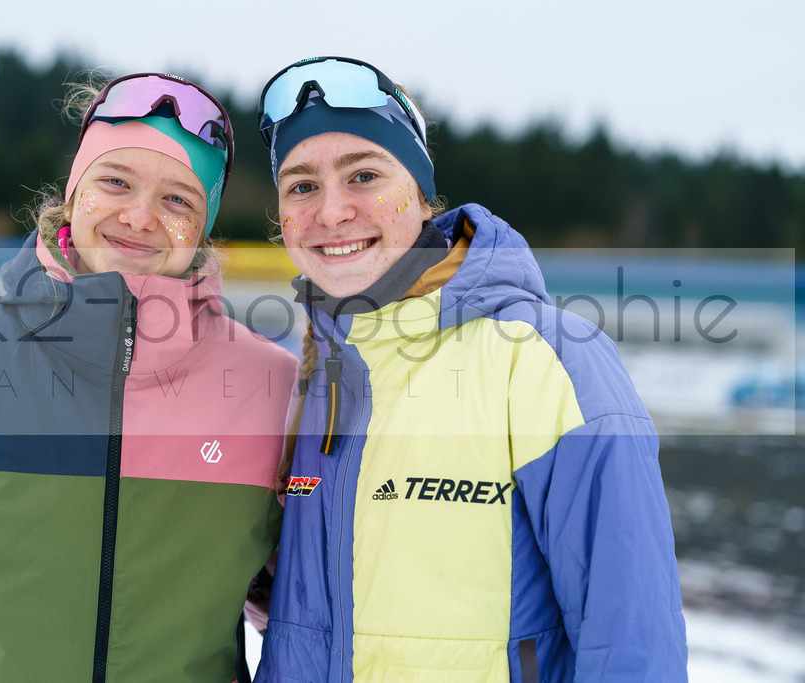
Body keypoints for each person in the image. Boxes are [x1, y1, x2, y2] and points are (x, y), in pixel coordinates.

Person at [0, 72, 297, 682]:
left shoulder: (274, 388)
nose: (139, 217)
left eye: (178, 200)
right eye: (115, 182)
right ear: (74, 193)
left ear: (204, 225)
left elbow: (298, 613)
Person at [253, 56, 688, 681]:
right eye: (301, 186)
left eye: (364, 175)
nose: (332, 212)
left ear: (420, 194)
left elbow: (631, 638)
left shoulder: (544, 357)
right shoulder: (310, 377)